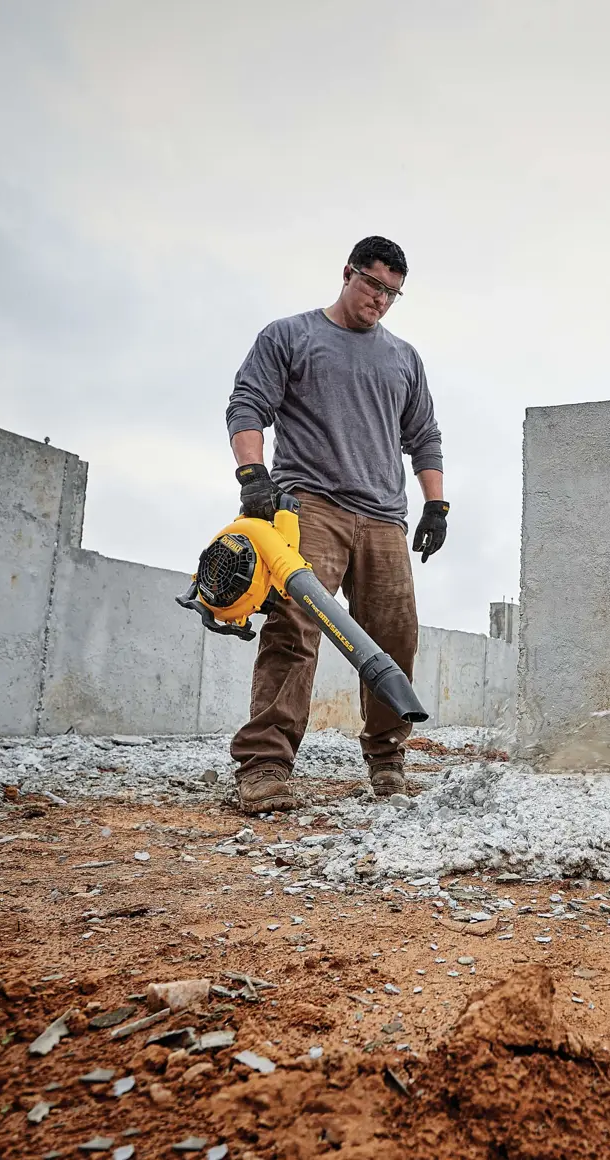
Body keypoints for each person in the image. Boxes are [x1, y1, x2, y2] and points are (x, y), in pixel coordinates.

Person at [224, 236, 448, 813]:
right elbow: (247, 403)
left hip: (383, 519)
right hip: (309, 506)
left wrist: (436, 505)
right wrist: (252, 474)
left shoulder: (403, 358)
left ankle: (387, 758)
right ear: (348, 273)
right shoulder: (292, 335)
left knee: (394, 636)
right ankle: (266, 764)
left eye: (394, 294)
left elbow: (423, 436)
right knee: (293, 625)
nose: (381, 300)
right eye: (374, 285)